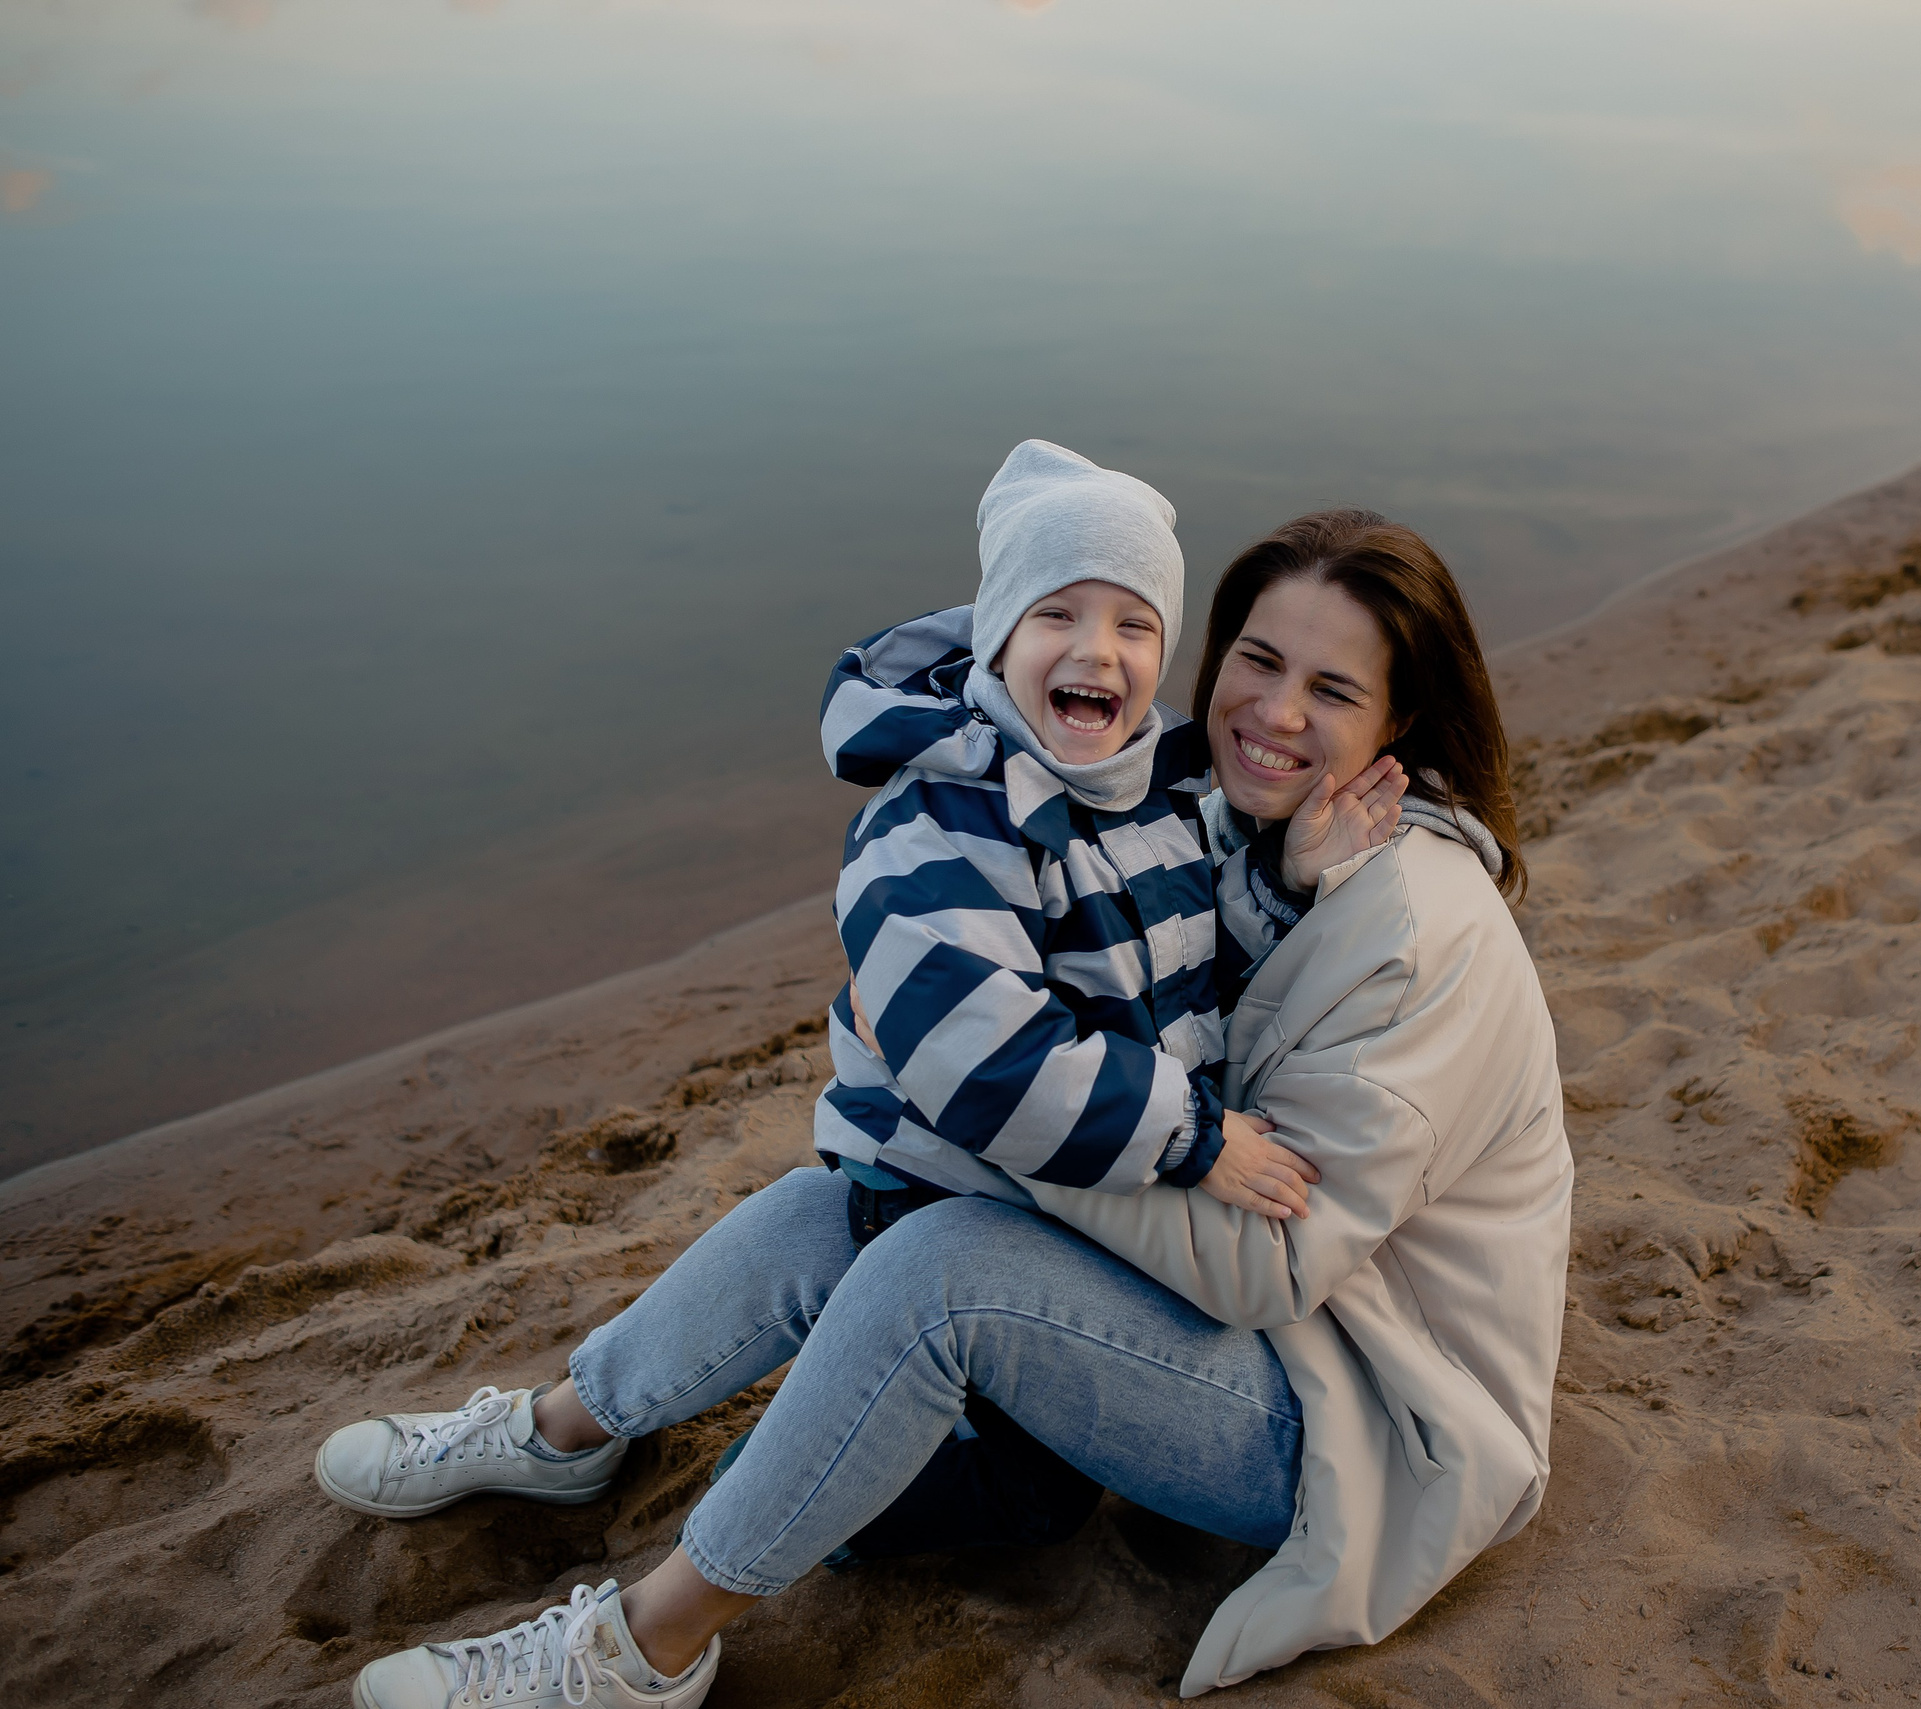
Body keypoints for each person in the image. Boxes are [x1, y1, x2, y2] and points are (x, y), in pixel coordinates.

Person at [314, 509, 1569, 1709]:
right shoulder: (1288, 843)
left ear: (1405, 714)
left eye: (1334, 691)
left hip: (1359, 1421)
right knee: (844, 1200)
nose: (1273, 712)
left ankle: (645, 1648)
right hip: (1290, 1332)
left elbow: (1270, 1261)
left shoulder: (1412, 933)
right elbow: (1197, 1013)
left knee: (939, 1263)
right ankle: (566, 1427)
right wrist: (1262, 897)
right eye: (1254, 659)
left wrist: (974, 1110)